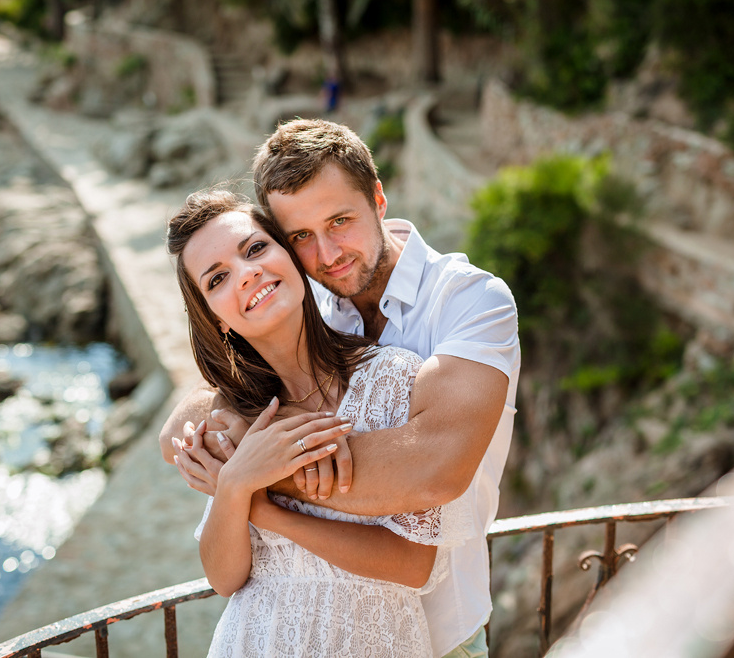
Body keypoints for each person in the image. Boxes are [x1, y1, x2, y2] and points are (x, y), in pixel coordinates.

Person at [164, 119, 520, 657]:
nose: (328, 253)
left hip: (441, 630)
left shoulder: (469, 301)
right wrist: (237, 437)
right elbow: (180, 426)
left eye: (340, 221)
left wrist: (255, 475)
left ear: (378, 198)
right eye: (301, 236)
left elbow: (435, 470)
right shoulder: (308, 304)